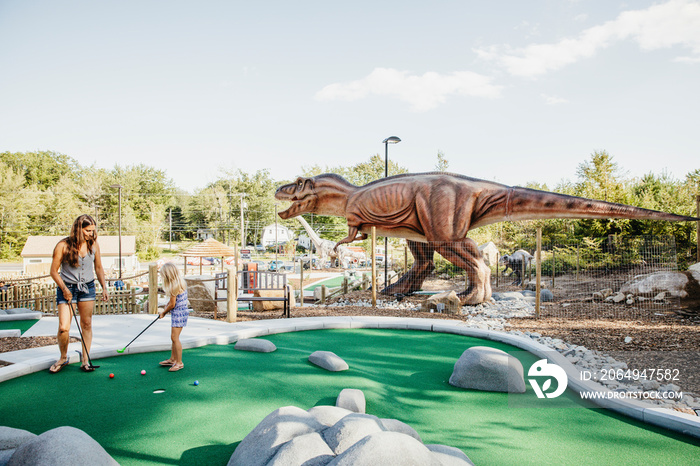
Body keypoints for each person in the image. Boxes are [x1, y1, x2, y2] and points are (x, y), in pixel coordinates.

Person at [49, 214, 109, 373]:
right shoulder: (62, 245)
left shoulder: (94, 244)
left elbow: (98, 268)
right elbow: (53, 272)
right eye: (88, 230)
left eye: (93, 231)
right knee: (63, 327)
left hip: (87, 288)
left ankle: (85, 360)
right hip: (67, 287)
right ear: (78, 229)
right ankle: (63, 358)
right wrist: (65, 289)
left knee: (87, 323)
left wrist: (104, 287)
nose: (91, 234)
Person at [158, 262, 188, 372]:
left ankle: (179, 362)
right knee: (173, 337)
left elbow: (172, 304)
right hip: (181, 312)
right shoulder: (180, 282)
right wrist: (166, 308)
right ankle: (172, 359)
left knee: (175, 338)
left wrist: (163, 312)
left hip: (179, 314)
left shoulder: (173, 286)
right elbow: (171, 302)